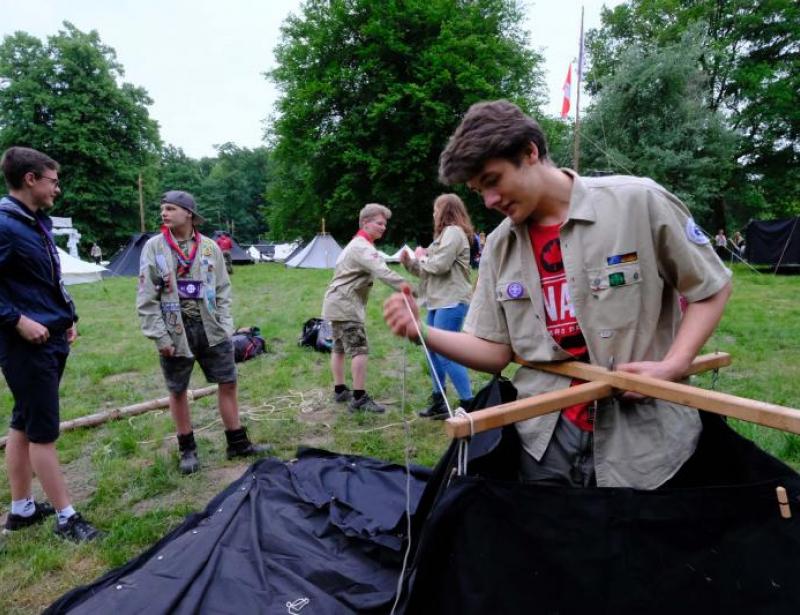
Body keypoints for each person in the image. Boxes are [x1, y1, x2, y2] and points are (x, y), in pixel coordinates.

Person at [384, 100, 732, 489]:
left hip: (645, 442)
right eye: (479, 190)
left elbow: (711, 288)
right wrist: (423, 332)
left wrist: (674, 364)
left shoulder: (638, 202)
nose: (489, 201)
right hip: (544, 439)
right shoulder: (500, 245)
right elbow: (495, 351)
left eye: (493, 179)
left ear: (530, 152)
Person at [0, 146, 101, 541]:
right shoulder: (5, 225)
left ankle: (22, 509)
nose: (57, 189)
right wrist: (18, 320)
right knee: (43, 431)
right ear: (31, 179)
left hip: (51, 335)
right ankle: (66, 518)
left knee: (23, 422)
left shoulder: (31, 222)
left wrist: (67, 317)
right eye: (53, 181)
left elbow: (44, 279)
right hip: (27, 345)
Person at [137, 190, 269, 474]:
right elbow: (146, 296)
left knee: (228, 381)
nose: (164, 213)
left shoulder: (209, 247)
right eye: (163, 209)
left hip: (211, 328)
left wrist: (225, 324)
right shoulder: (154, 247)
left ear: (189, 214)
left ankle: (237, 443)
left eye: (171, 208)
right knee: (178, 390)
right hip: (175, 330)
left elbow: (223, 288)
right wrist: (159, 336)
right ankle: (187, 448)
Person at [322, 203, 409, 413]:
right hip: (345, 305)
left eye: (384, 224)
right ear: (365, 223)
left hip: (336, 303)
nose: (383, 227)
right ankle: (359, 398)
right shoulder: (362, 247)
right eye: (379, 223)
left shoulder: (355, 244)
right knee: (359, 349)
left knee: (339, 347)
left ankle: (340, 390)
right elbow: (383, 272)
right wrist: (410, 289)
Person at [400, 194, 474, 418]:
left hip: (451, 302)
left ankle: (470, 404)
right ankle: (439, 401)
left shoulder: (453, 232)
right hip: (437, 301)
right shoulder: (442, 237)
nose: (433, 214)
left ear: (446, 210)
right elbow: (428, 271)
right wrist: (409, 263)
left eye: (436, 209)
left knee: (447, 354)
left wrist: (421, 256)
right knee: (432, 352)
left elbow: (439, 265)